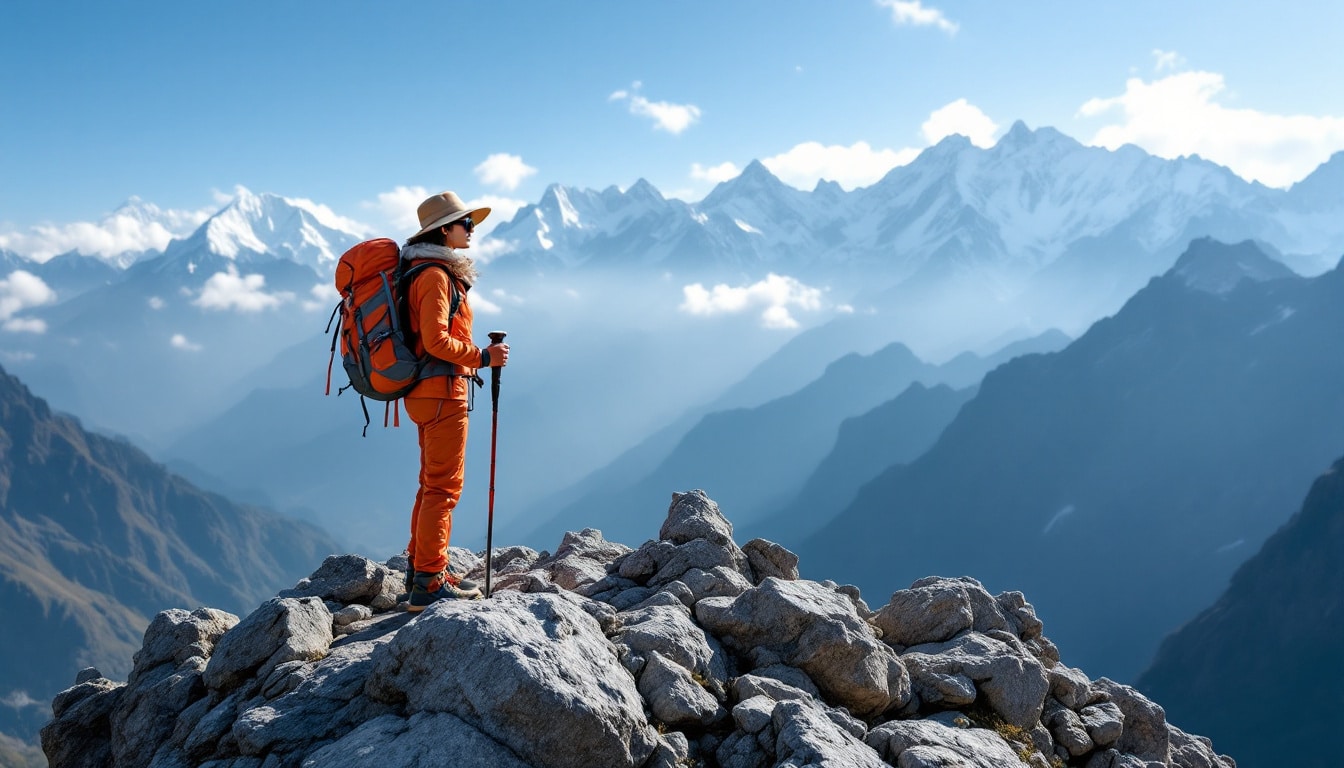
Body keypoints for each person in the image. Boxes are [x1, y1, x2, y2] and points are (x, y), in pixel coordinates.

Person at [400, 190, 509, 611]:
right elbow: (436, 340)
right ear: (444, 230)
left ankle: (423, 569)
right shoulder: (435, 276)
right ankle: (428, 582)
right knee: (444, 489)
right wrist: (483, 357)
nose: (472, 230)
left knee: (430, 485)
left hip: (424, 393)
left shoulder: (421, 271)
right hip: (443, 392)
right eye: (466, 224)